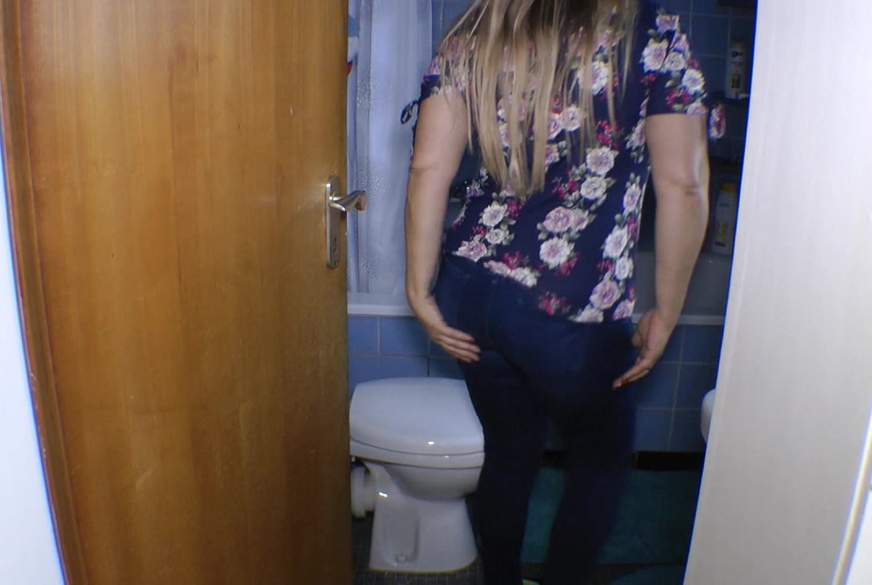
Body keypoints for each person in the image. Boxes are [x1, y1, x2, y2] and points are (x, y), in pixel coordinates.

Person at [405, 1, 723, 583]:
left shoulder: (475, 31)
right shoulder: (647, 30)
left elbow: (429, 169)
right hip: (570, 306)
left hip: (472, 289)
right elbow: (683, 183)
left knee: (509, 453)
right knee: (601, 464)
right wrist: (667, 310)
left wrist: (419, 288)